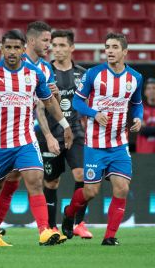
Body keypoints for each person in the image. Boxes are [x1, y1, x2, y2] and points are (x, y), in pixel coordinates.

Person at [0, 29, 73, 246]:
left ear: (23, 48)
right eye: (8, 47)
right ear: (1, 48)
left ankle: (44, 231)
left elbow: (49, 102)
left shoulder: (34, 73)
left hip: (25, 140)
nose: (12, 52)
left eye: (17, 47)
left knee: (35, 180)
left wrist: (65, 125)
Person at [62, 33, 143, 246]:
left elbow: (137, 103)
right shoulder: (93, 74)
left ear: (125, 51)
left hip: (119, 144)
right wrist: (94, 113)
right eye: (107, 46)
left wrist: (138, 118)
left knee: (122, 188)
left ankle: (109, 236)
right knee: (90, 192)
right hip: (95, 145)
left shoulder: (135, 78)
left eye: (114, 47)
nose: (109, 50)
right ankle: (69, 213)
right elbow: (77, 103)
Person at [35, 29, 92, 238]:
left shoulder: (83, 74)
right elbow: (40, 106)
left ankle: (76, 221)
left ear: (72, 48)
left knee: (83, 176)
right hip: (50, 133)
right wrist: (48, 134)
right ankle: (51, 227)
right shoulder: (44, 72)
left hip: (76, 131)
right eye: (54, 45)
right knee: (51, 182)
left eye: (62, 45)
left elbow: (88, 103)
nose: (56, 50)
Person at [136, 78, 155, 153]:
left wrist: (148, 128)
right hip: (144, 152)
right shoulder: (139, 109)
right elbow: (141, 130)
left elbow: (146, 129)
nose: (152, 91)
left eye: (154, 88)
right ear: (145, 92)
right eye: (149, 88)